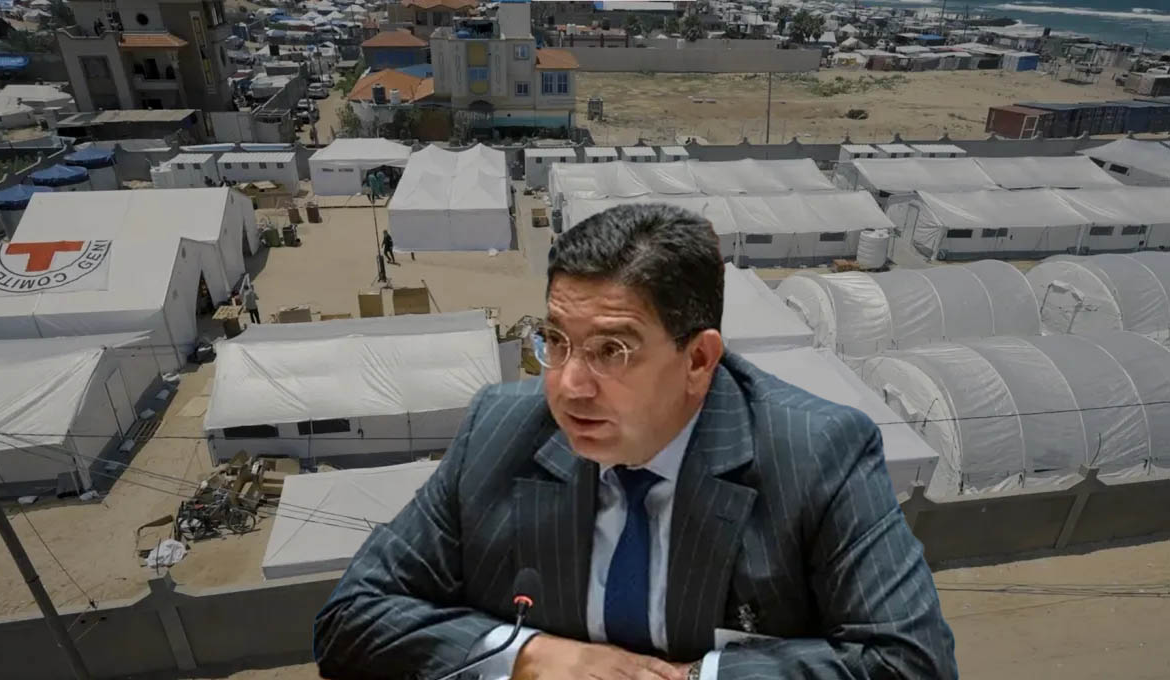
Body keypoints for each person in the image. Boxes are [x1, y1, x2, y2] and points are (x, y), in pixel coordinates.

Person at [314, 204, 958, 680]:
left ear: (699, 361)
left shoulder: (817, 451)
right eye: (556, 341)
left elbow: (911, 664)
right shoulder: (498, 430)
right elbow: (351, 618)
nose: (568, 386)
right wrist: (529, 657)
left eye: (611, 351)